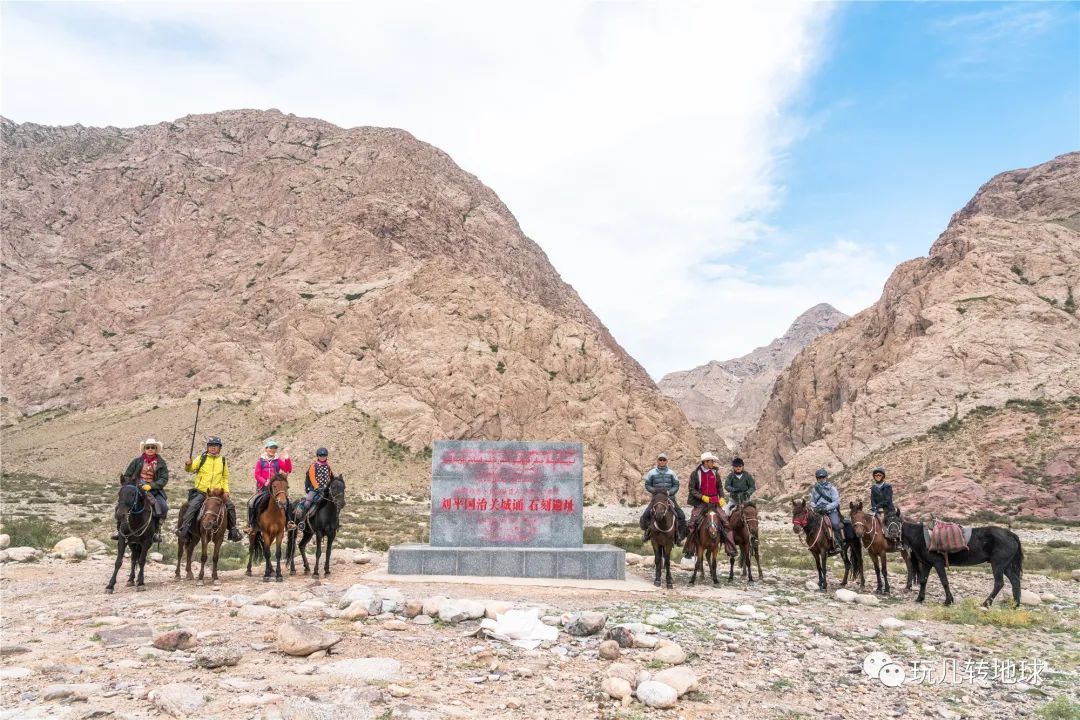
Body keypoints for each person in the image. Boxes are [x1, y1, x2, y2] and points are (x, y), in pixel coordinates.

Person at [178, 436, 242, 542]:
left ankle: (233, 531)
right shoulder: (201, 458)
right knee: (193, 506)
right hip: (202, 491)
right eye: (211, 446)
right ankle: (184, 530)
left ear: (219, 448)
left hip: (217, 494)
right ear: (207, 447)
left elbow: (225, 477)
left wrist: (226, 491)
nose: (213, 448)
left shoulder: (223, 460)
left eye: (215, 446)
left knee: (230, 506)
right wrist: (188, 465)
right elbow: (190, 469)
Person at [113, 438, 169, 543]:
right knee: (120, 506)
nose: (150, 449)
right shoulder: (136, 461)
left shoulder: (161, 463)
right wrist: (133, 484)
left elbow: (164, 479)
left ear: (156, 449)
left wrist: (152, 485)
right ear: (144, 449)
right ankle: (119, 530)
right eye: (148, 447)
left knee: (163, 507)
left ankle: (156, 532)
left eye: (153, 447)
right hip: (136, 489)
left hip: (154, 490)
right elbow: (127, 475)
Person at [685, 452, 736, 560]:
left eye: (712, 461)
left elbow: (720, 487)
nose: (712, 463)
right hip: (701, 503)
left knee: (726, 522)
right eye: (711, 461)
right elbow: (691, 489)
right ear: (705, 462)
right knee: (692, 523)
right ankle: (690, 549)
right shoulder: (695, 473)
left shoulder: (715, 472)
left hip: (714, 501)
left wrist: (722, 497)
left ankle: (730, 548)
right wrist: (702, 497)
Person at [246, 439, 294, 535]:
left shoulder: (278, 461)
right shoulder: (261, 461)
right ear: (266, 449)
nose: (272, 450)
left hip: (275, 489)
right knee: (251, 503)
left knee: (288, 502)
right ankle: (251, 525)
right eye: (270, 448)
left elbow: (288, 470)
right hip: (263, 488)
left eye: (274, 448)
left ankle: (289, 523)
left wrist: (287, 459)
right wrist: (265, 482)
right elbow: (257, 475)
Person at [640, 452, 688, 543]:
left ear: (666, 461)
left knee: (681, 515)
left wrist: (669, 492)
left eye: (664, 460)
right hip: (656, 498)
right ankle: (647, 533)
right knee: (646, 515)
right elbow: (647, 485)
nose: (662, 461)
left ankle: (679, 536)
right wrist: (655, 491)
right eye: (660, 459)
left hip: (669, 498)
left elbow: (676, 485)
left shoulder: (672, 473)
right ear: (657, 461)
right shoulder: (651, 473)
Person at [294, 447, 334, 531]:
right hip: (315, 489)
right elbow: (312, 477)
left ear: (327, 456)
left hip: (325, 490)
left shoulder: (328, 467)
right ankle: (302, 522)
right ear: (317, 456)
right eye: (321, 455)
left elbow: (330, 478)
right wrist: (317, 487)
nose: (322, 456)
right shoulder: (313, 466)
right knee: (308, 502)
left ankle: (334, 522)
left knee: (335, 502)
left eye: (324, 455)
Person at [810, 468, 843, 555]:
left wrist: (826, 507)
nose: (821, 479)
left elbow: (836, 502)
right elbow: (812, 501)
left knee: (835, 524)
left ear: (826, 477)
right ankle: (812, 544)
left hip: (831, 511)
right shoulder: (814, 489)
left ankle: (837, 544)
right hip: (818, 511)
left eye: (823, 477)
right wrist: (815, 507)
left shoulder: (832, 488)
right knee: (809, 524)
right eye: (819, 478)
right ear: (817, 479)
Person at [869, 467, 900, 541]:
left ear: (883, 476)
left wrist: (877, 506)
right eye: (876, 475)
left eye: (879, 475)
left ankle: (899, 541)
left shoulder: (888, 487)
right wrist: (874, 507)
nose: (877, 476)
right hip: (877, 510)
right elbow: (872, 500)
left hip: (888, 509)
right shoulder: (873, 488)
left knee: (893, 524)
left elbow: (887, 500)